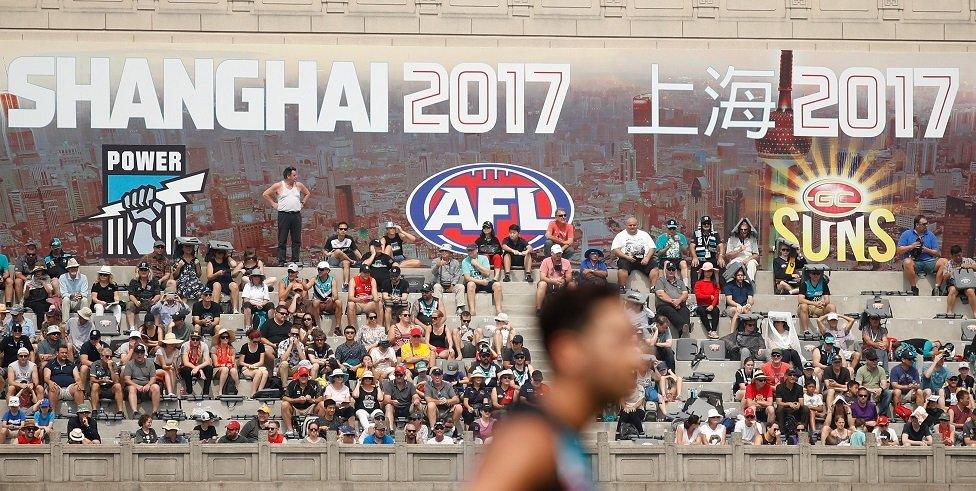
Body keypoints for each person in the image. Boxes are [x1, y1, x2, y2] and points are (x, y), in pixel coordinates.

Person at [470, 284, 639, 490]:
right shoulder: (530, 439)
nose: (635, 358)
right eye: (619, 342)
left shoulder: (562, 437)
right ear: (569, 352)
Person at [262, 166, 310, 264]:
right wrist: (273, 204)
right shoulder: (279, 185)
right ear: (288, 176)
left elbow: (307, 193)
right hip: (284, 215)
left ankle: (295, 260)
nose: (296, 177)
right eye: (294, 175)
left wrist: (303, 203)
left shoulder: (299, 185)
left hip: (296, 215)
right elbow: (265, 194)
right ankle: (281, 261)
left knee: (296, 239)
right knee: (282, 239)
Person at [896, 214, 947, 296]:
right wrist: (911, 246)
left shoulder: (930, 235)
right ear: (917, 225)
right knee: (906, 262)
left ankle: (937, 288)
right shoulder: (907, 234)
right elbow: (899, 250)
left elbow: (937, 253)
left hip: (929, 262)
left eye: (926, 223)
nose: (926, 226)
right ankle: (914, 288)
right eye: (924, 224)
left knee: (944, 262)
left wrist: (926, 250)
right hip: (914, 262)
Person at [611, 216, 656, 292]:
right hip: (627, 259)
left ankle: (653, 288)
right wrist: (626, 257)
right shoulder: (620, 235)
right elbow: (615, 250)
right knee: (622, 266)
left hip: (643, 259)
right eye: (630, 225)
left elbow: (652, 248)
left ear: (637, 225)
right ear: (626, 225)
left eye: (634, 225)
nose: (632, 227)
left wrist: (647, 258)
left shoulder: (644, 234)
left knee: (654, 265)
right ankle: (622, 287)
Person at [462, 244, 503, 316]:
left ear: (476, 250)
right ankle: (472, 310)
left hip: (485, 281)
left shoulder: (483, 258)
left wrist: (477, 264)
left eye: (472, 250)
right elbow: (467, 278)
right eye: (468, 251)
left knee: (497, 285)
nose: (470, 252)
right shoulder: (465, 261)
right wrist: (481, 282)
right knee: (470, 284)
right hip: (475, 283)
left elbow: (487, 273)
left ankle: (499, 310)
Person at [654, 261, 690, 339]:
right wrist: (672, 302)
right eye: (669, 269)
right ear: (666, 270)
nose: (671, 271)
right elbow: (660, 294)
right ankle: (684, 326)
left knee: (685, 310)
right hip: (664, 306)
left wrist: (678, 301)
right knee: (669, 310)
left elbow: (685, 294)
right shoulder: (661, 280)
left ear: (675, 271)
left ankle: (684, 331)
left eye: (673, 270)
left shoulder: (680, 282)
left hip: (678, 304)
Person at [43, 345, 82, 413]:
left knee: (78, 388)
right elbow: (46, 377)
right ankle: (52, 414)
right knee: (53, 388)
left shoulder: (71, 364)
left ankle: (82, 412)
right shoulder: (50, 364)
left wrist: (79, 382)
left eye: (66, 353)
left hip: (69, 389)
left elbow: (77, 377)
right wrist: (50, 382)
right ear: (57, 353)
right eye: (62, 353)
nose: (64, 354)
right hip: (57, 388)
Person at [124, 344, 161, 415]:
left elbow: (153, 378)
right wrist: (136, 386)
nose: (139, 355)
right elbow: (127, 379)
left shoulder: (150, 363)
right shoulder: (129, 364)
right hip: (134, 386)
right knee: (132, 388)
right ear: (134, 354)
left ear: (144, 354)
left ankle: (155, 412)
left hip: (146, 387)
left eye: (141, 353)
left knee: (156, 387)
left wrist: (148, 385)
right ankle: (135, 412)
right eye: (137, 353)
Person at [536, 245, 573, 312]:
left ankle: (574, 308)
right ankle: (539, 308)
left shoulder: (566, 262)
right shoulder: (545, 261)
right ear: (551, 253)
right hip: (549, 282)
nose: (558, 255)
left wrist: (564, 280)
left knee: (572, 284)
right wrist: (552, 281)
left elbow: (569, 277)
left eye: (560, 253)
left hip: (562, 282)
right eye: (556, 253)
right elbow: (542, 277)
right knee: (542, 284)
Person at [324, 221, 362, 287]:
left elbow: (355, 250)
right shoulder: (331, 239)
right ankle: (352, 261)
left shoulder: (349, 239)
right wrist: (327, 254)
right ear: (338, 230)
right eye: (341, 229)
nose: (343, 230)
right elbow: (324, 250)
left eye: (345, 229)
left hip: (342, 260)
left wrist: (362, 260)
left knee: (346, 262)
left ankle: (346, 284)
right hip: (333, 260)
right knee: (338, 251)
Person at [796, 268, 835, 332]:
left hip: (818, 307)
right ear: (810, 274)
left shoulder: (823, 284)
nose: (816, 275)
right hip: (807, 307)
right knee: (803, 306)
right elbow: (800, 300)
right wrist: (814, 303)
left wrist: (823, 303)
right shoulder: (805, 284)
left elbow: (827, 299)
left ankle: (833, 330)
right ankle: (806, 331)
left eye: (818, 274)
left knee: (832, 307)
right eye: (814, 273)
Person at [655, 219, 692, 286]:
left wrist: (680, 243)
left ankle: (686, 285)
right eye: (670, 228)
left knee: (683, 263)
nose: (672, 230)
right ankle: (666, 284)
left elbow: (685, 252)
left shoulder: (681, 237)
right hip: (665, 258)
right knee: (667, 263)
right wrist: (668, 246)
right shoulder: (661, 237)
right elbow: (659, 253)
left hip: (677, 258)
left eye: (674, 228)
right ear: (667, 228)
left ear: (676, 228)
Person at [431, 244, 465, 312]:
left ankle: (460, 308)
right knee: (436, 286)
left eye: (446, 251)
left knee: (461, 287)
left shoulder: (455, 262)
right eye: (442, 251)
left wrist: (452, 285)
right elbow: (433, 273)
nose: (443, 252)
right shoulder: (435, 261)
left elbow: (457, 275)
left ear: (450, 253)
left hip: (451, 285)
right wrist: (437, 266)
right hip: (440, 284)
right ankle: (438, 308)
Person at [180, 329, 214, 396]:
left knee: (209, 368)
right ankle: (189, 391)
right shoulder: (185, 345)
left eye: (197, 339)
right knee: (186, 369)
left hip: (198, 367)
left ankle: (206, 393)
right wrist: (199, 370)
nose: (195, 341)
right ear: (190, 338)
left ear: (200, 339)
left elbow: (207, 361)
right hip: (188, 368)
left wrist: (198, 368)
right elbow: (185, 362)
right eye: (193, 339)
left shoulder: (204, 345)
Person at [725, 218, 760, 283]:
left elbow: (756, 255)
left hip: (748, 259)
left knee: (752, 263)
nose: (743, 231)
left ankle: (748, 283)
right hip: (736, 259)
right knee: (734, 264)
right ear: (738, 229)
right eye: (741, 229)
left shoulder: (752, 238)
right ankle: (733, 284)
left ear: (748, 229)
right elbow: (728, 256)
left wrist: (748, 259)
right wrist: (739, 250)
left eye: (745, 229)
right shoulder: (732, 239)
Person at [774, 369, 808, 436]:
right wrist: (789, 404)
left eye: (794, 375)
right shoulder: (779, 387)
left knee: (805, 408)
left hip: (795, 409)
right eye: (790, 375)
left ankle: (803, 429)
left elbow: (801, 402)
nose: (792, 377)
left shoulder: (799, 387)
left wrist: (798, 404)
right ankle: (782, 432)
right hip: (785, 409)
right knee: (780, 408)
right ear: (786, 375)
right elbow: (778, 402)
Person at [945, 245, 976, 316]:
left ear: (962, 253)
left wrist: (969, 266)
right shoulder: (948, 264)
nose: (958, 257)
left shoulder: (968, 260)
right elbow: (945, 278)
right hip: (954, 284)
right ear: (952, 256)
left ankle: (975, 313)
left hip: (968, 283)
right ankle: (949, 312)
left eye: (959, 255)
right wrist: (953, 271)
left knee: (970, 291)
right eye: (955, 256)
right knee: (952, 290)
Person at [310, 262, 342, 329]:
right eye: (318, 269)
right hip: (319, 305)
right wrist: (302, 283)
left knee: (338, 302)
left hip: (329, 304)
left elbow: (335, 295)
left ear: (327, 270)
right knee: (315, 302)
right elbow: (306, 287)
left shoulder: (332, 280)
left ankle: (337, 327)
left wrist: (331, 299)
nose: (319, 271)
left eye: (321, 269)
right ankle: (317, 326)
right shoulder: (314, 279)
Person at [693, 262, 721, 338]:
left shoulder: (715, 283)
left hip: (711, 305)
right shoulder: (698, 283)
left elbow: (716, 296)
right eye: (706, 271)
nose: (708, 273)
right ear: (703, 272)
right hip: (701, 305)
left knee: (716, 310)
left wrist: (712, 305)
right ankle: (709, 330)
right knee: (701, 311)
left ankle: (714, 330)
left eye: (710, 271)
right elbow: (698, 296)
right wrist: (709, 297)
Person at [722, 267, 754, 332]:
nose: (740, 277)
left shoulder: (748, 285)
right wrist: (737, 305)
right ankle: (732, 333)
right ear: (735, 276)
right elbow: (729, 300)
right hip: (731, 307)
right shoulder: (729, 285)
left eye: (741, 275)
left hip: (743, 306)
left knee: (748, 311)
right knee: (738, 311)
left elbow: (751, 299)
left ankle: (750, 333)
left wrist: (749, 304)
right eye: (738, 275)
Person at [211, 328, 239, 397]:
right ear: (219, 339)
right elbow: (216, 364)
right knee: (225, 369)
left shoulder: (232, 349)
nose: (225, 339)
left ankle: (236, 389)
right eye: (223, 337)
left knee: (234, 370)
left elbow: (233, 362)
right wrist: (225, 365)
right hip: (217, 369)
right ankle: (220, 391)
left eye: (227, 337)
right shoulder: (214, 348)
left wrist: (234, 368)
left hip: (229, 367)